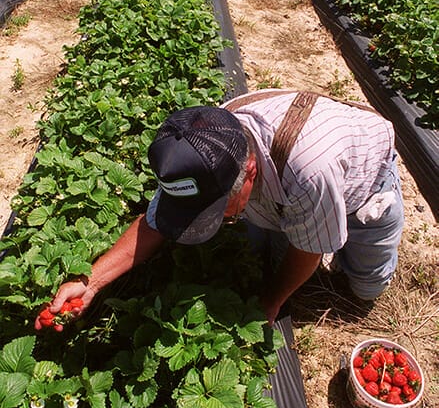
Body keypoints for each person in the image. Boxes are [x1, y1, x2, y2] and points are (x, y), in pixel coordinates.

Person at [34, 89, 404, 331]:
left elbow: (309, 250)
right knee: (275, 252)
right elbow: (155, 222)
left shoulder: (310, 173)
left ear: (250, 174)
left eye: (219, 209)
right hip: (282, 189)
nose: (220, 220)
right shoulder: (205, 143)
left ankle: (357, 258)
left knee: (364, 289)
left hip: (365, 186)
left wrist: (270, 302)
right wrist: (91, 282)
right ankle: (297, 224)